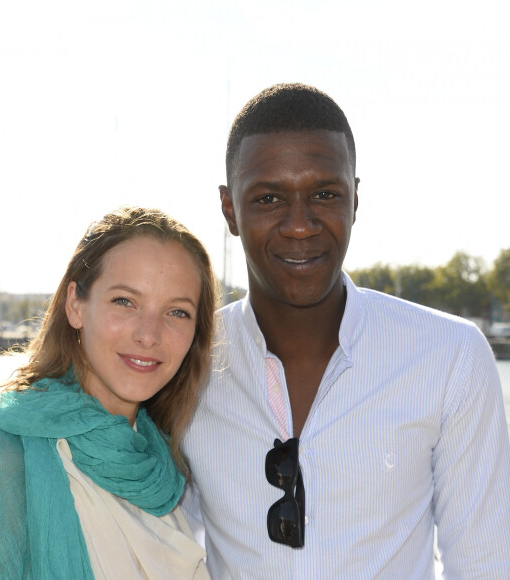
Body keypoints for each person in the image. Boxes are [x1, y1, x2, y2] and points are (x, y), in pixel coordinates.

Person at [181, 83, 510, 578]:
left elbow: (484, 563)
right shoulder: (185, 363)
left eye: (325, 194)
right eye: (269, 197)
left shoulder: (451, 357)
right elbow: (164, 547)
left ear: (355, 198)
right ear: (230, 210)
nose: (299, 225)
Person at [0, 206, 218, 579]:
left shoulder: (165, 467)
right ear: (75, 305)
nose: (149, 334)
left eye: (177, 312)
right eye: (125, 301)